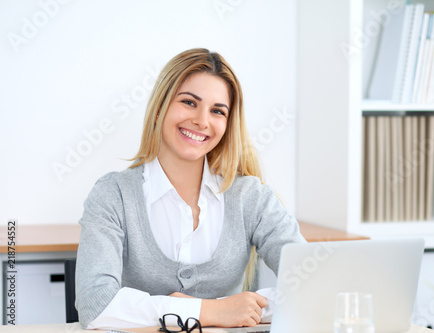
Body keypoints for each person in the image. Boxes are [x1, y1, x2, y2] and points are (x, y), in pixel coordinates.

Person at [75, 48, 305, 329]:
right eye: (189, 102)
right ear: (160, 107)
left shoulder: (252, 197)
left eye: (217, 111)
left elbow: (311, 283)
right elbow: (95, 304)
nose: (202, 121)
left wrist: (238, 309)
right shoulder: (113, 195)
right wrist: (208, 312)